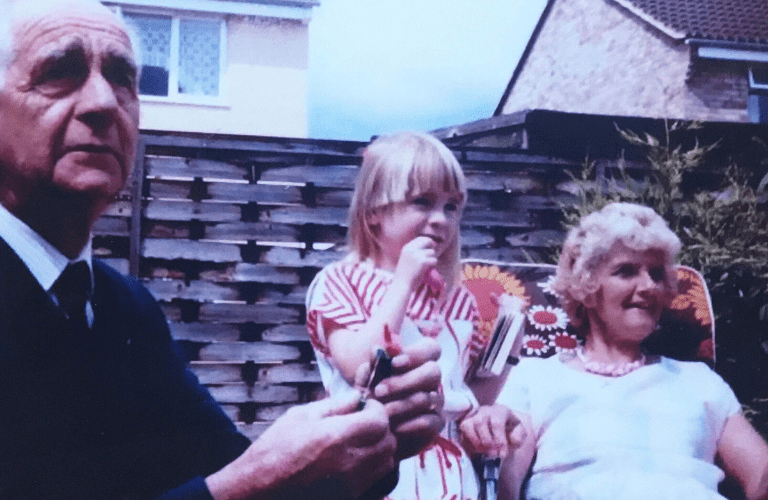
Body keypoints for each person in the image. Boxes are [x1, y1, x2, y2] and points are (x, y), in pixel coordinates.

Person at [0, 1, 444, 499]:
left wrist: (370, 432)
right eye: (61, 72)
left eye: (125, 77)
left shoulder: (126, 309)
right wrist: (245, 486)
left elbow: (230, 467)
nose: (104, 101)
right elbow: (241, 483)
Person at [462, 202, 768, 500]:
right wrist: (491, 434)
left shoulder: (699, 380)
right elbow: (503, 487)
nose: (649, 286)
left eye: (657, 274)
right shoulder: (535, 377)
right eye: (626, 271)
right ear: (587, 286)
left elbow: (760, 477)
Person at [305, 131, 521, 500]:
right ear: (374, 214)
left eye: (451, 207)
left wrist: (508, 349)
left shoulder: (457, 299)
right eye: (422, 202)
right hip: (372, 469)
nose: (440, 219)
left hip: (450, 476)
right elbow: (359, 366)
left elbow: (465, 397)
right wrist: (403, 282)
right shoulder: (340, 280)